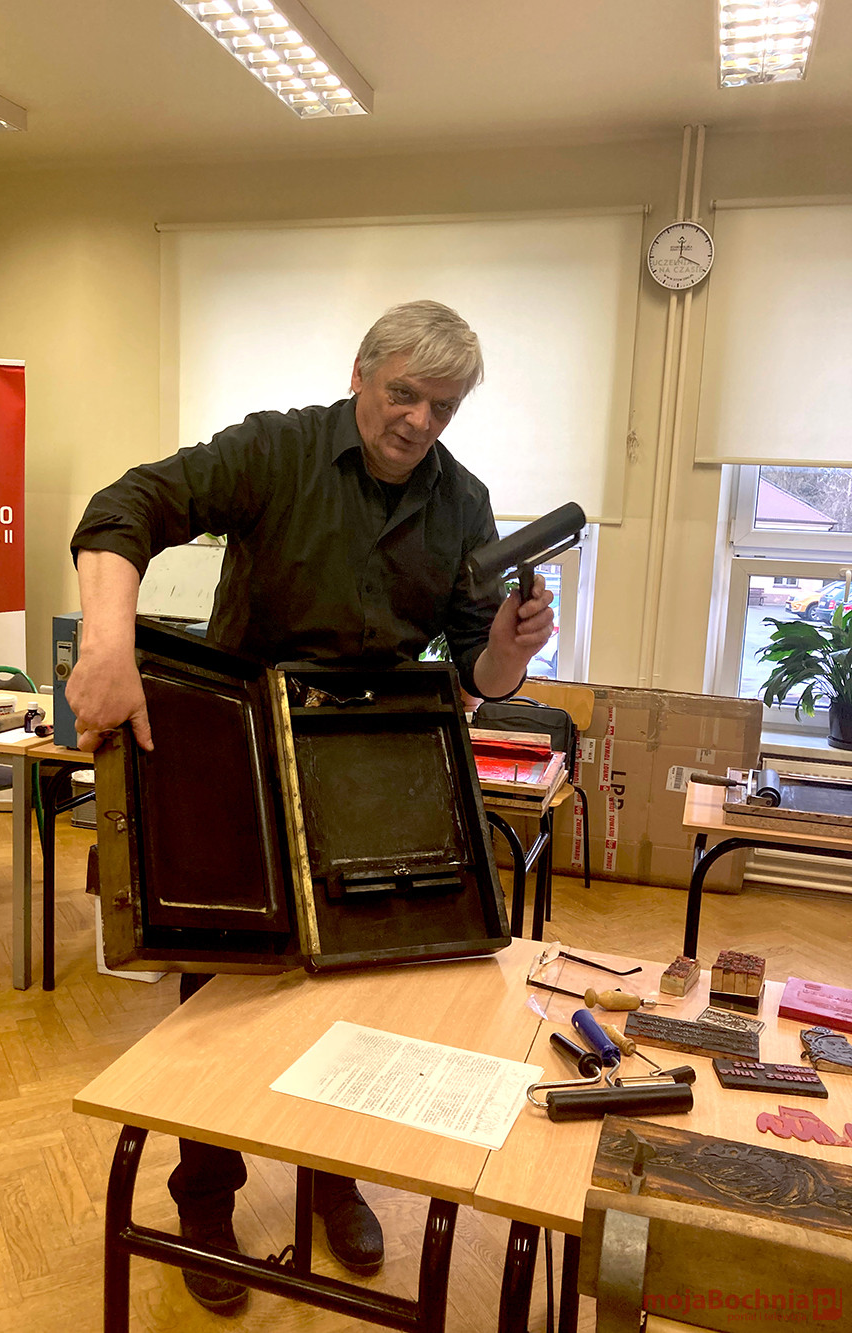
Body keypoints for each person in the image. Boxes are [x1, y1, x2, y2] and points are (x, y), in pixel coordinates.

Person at [68, 299, 554, 1314]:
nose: (419, 420)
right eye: (404, 393)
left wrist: (511, 649)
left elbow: (478, 672)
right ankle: (205, 1201)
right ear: (360, 374)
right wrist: (108, 647)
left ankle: (333, 1178)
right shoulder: (277, 450)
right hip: (240, 753)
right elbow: (124, 506)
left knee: (355, 993)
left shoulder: (462, 502)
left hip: (368, 769)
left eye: (443, 406)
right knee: (221, 996)